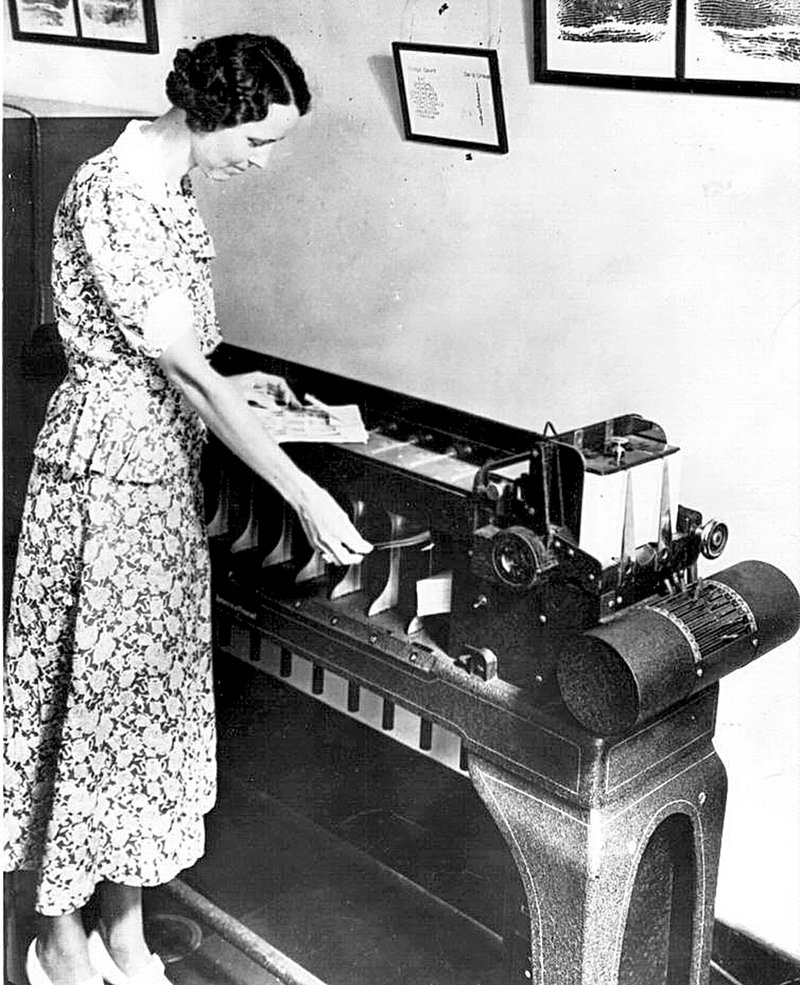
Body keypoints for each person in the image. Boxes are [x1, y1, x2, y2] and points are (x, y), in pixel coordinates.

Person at [3, 33, 372, 985]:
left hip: (159, 477)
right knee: (85, 707)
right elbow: (178, 373)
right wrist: (301, 487)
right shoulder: (115, 192)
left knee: (139, 710)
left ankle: (123, 933)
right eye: (258, 139)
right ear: (209, 115)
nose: (261, 159)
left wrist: (254, 387)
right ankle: (55, 937)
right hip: (105, 482)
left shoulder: (172, 186)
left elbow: (185, 363)